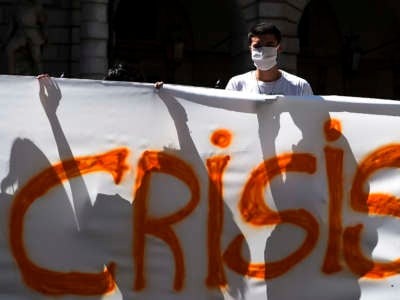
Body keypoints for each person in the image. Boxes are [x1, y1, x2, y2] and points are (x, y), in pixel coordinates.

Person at [225, 22, 313, 96]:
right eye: (257, 46)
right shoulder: (236, 85)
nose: (263, 50)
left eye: (269, 45)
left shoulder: (300, 86)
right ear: (251, 49)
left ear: (279, 48)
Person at [3, 0, 47, 75]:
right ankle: (12, 74)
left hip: (33, 33)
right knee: (9, 49)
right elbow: (11, 25)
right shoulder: (16, 6)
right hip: (20, 33)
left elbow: (42, 22)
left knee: (36, 56)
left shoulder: (36, 5)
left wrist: (44, 35)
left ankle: (41, 74)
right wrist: (5, 40)